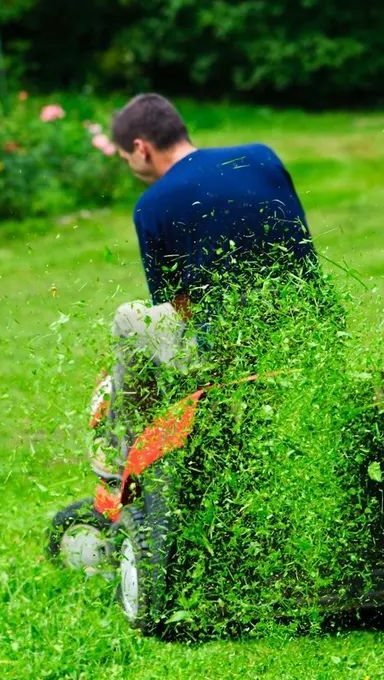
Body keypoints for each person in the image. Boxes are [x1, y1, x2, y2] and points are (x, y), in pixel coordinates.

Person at [90, 93, 316, 480]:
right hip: (309, 326)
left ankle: (124, 455)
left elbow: (180, 308)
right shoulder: (261, 157)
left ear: (141, 149)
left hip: (235, 351)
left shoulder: (152, 205)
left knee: (129, 319)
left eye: (126, 157)